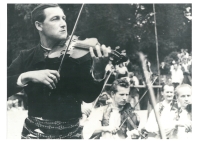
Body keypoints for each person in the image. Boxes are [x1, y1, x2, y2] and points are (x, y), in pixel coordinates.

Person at [7, 4, 111, 139]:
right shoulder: (26, 57)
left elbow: (89, 96)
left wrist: (98, 70)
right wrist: (27, 75)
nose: (63, 23)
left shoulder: (78, 57)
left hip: (71, 134)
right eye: (55, 19)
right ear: (39, 25)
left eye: (64, 18)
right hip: (34, 133)